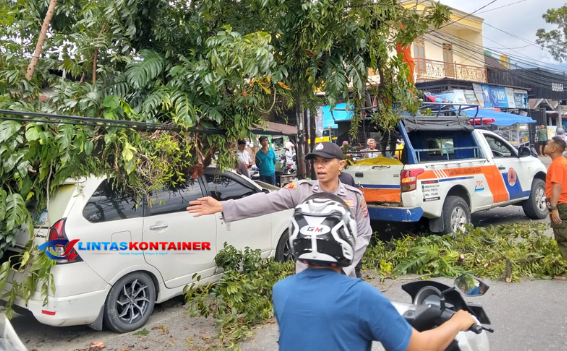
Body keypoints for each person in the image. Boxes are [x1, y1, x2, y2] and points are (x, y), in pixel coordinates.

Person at [273, 193, 477, 351]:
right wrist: (458, 322)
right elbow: (419, 347)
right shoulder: (359, 296)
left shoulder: (281, 290)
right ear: (346, 236)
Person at [188, 142, 372, 278]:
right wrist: (223, 206)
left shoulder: (354, 196)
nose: (319, 166)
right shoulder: (302, 190)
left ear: (341, 165)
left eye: (326, 161)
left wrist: (342, 266)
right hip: (307, 279)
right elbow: (265, 201)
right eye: (316, 161)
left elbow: (363, 235)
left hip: (343, 278)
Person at [544, 136, 567, 280]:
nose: (545, 146)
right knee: (566, 237)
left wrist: (553, 208)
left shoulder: (557, 164)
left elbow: (557, 186)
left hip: (561, 205)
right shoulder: (565, 163)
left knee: (565, 239)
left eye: (548, 144)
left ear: (553, 149)